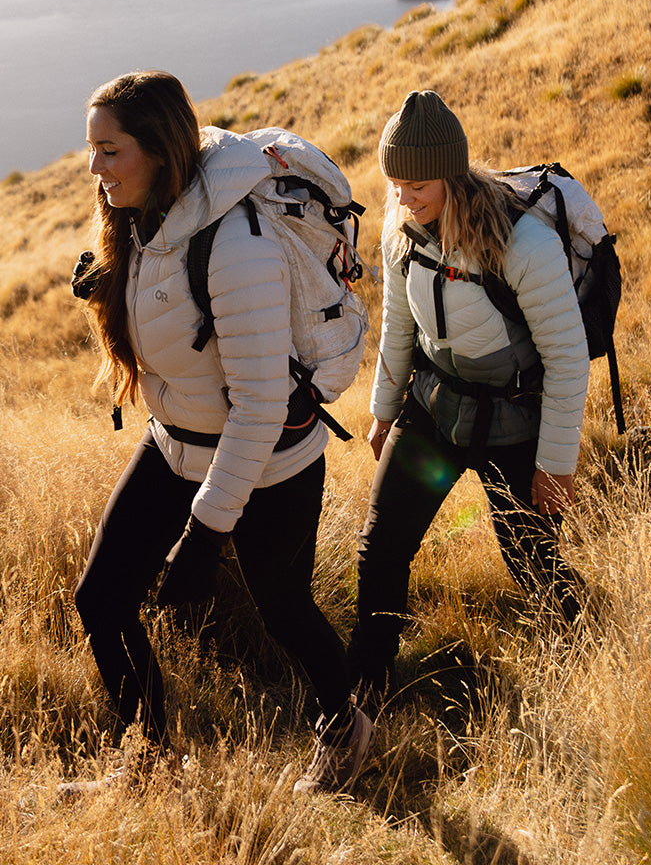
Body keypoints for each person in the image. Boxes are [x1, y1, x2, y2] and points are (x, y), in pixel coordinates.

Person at [68, 70, 372, 795]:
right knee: (101, 601)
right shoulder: (145, 218)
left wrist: (205, 537)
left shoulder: (238, 245)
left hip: (268, 459)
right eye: (92, 150)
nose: (94, 168)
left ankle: (345, 726)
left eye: (110, 151)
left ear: (158, 151)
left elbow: (262, 406)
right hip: (175, 442)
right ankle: (148, 764)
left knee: (283, 608)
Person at [346, 91, 589, 698]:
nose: (403, 197)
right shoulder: (400, 226)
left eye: (418, 183)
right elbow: (398, 326)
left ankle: (592, 650)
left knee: (531, 561)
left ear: (453, 173)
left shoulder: (523, 245)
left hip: (514, 422)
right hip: (431, 411)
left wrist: (554, 466)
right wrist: (382, 411)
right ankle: (366, 688)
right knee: (381, 549)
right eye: (394, 181)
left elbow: (566, 360)